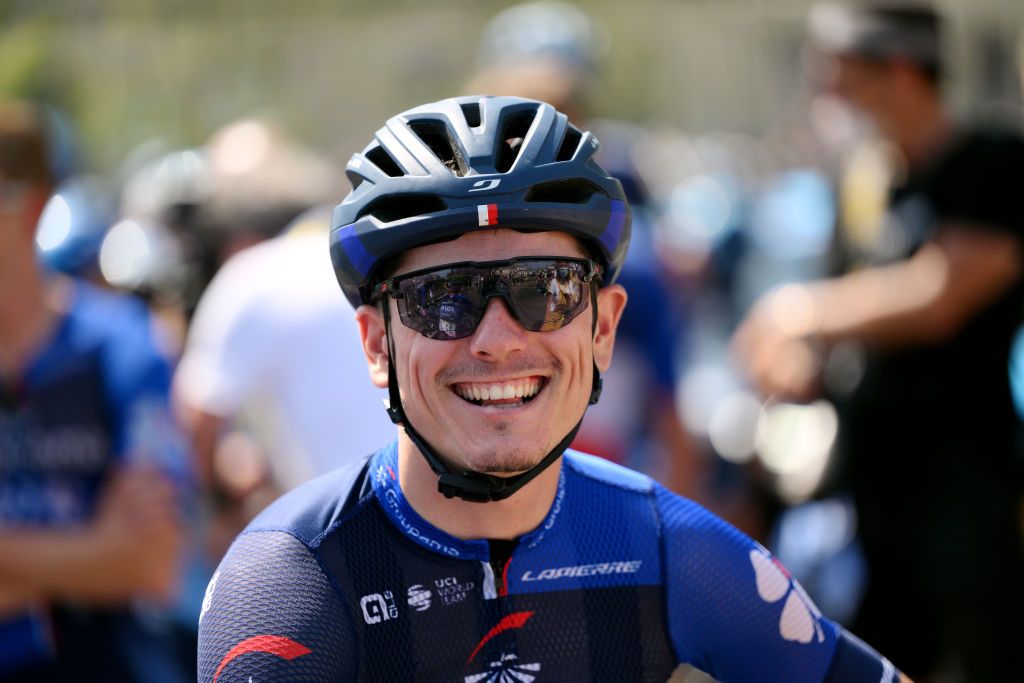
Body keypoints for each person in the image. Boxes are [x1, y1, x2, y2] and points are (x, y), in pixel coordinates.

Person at [196, 95, 909, 682]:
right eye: (444, 298)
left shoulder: (668, 549)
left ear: (603, 331)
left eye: (547, 292)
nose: (499, 340)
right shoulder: (288, 585)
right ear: (378, 344)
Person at [732, 4, 1024, 681]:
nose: (826, 91)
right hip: (870, 502)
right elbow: (839, 311)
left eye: (837, 71)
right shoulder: (865, 181)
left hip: (967, 501)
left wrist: (798, 314)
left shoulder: (994, 164)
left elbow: (940, 294)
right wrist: (794, 357)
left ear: (896, 69)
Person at [0, 101, 191, 680]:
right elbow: (118, 554)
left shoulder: (119, 345)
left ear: (28, 207)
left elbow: (150, 561)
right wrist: (89, 550)